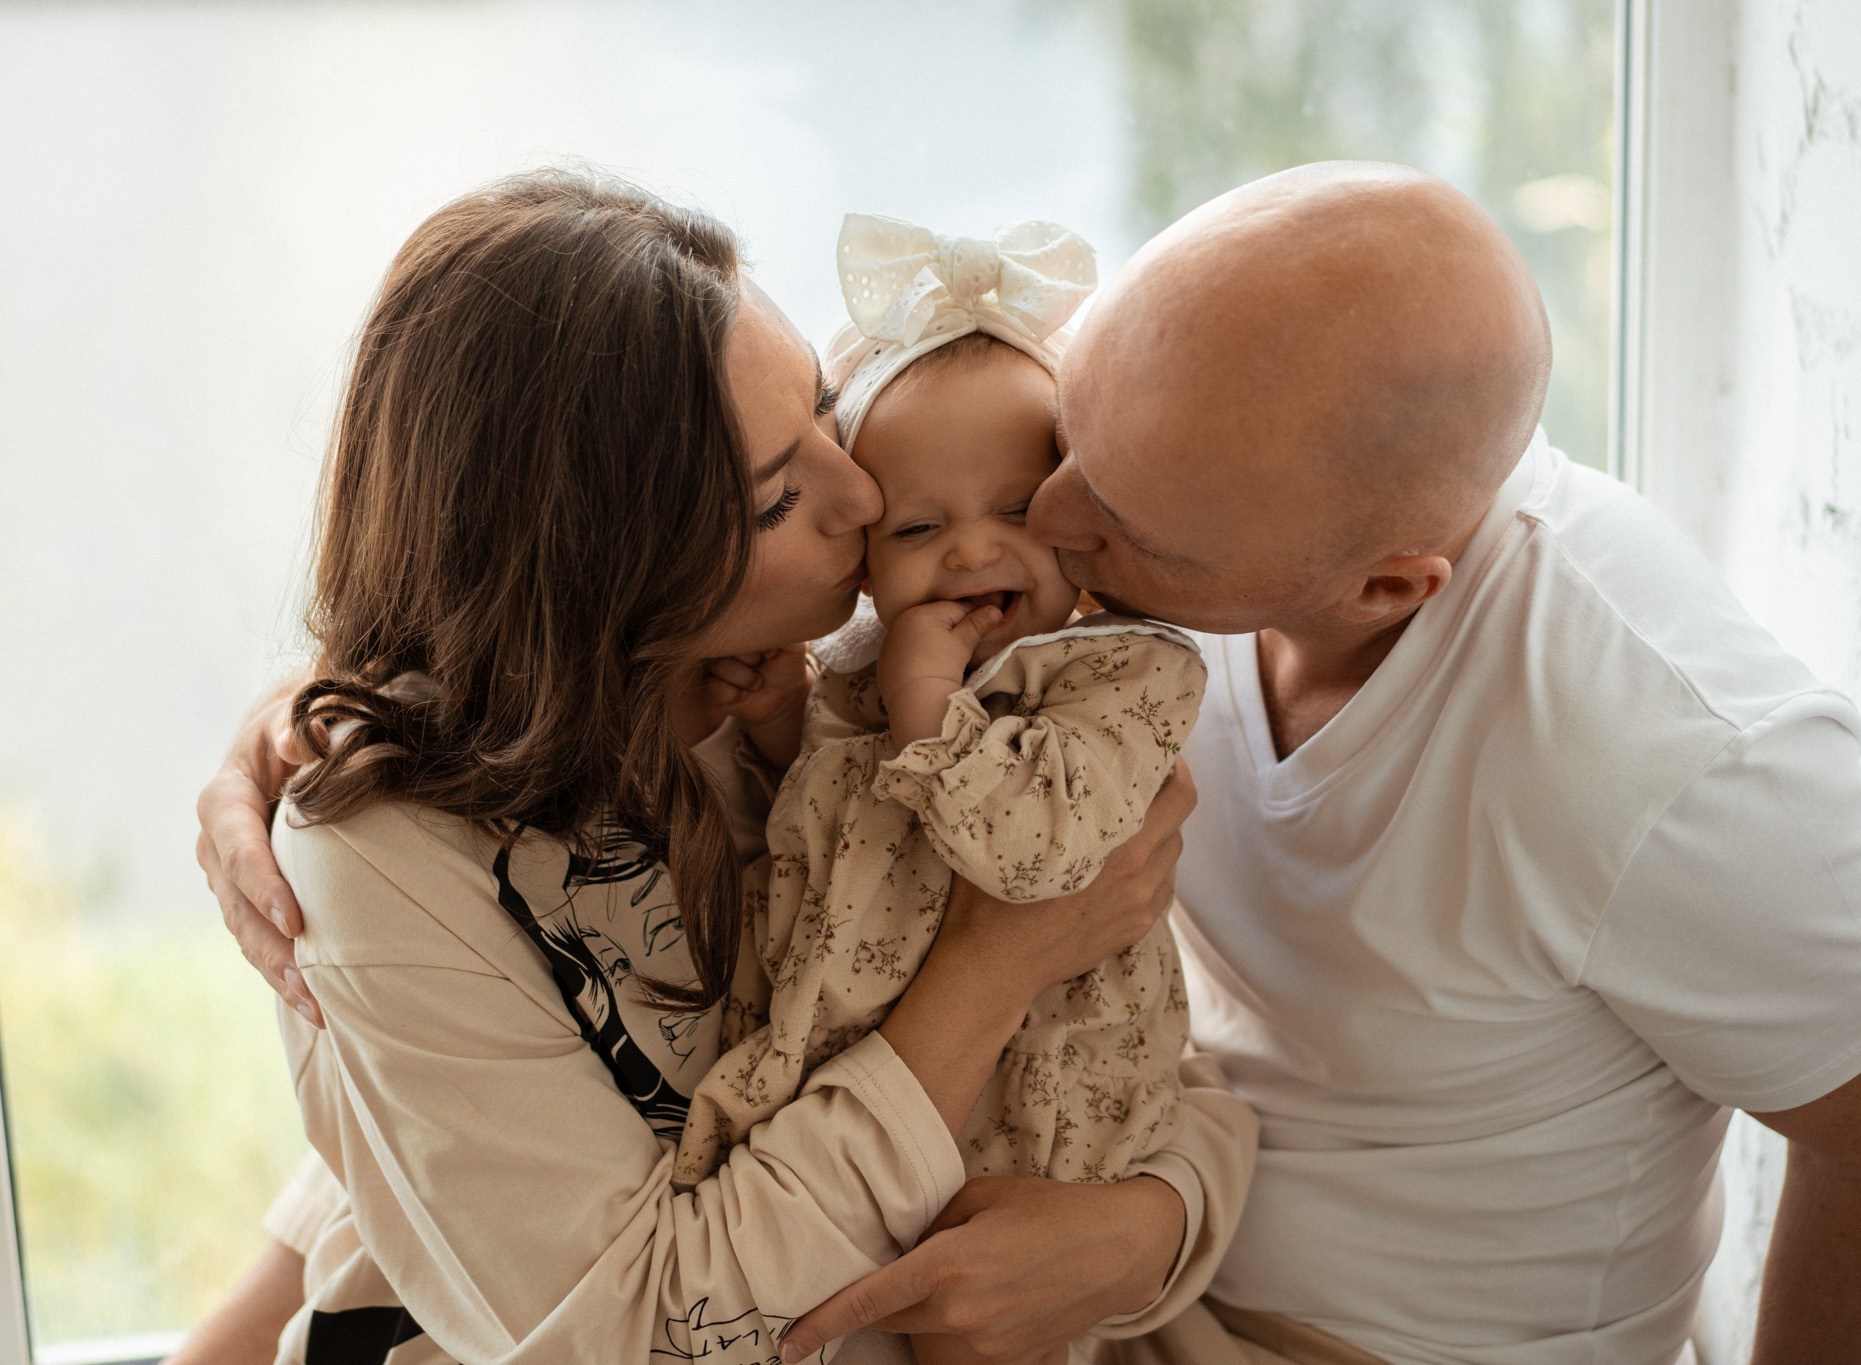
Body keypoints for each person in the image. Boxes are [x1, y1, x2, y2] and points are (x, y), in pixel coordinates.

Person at [204, 163, 1861, 1365]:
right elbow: (491, 1019)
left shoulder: (1651, 739)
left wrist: (1146, 1224)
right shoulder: (1099, 530)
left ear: (1377, 582)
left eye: (1113, 524)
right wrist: (343, 725)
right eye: (1074, 435)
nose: (1023, 541)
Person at [182, 168, 1257, 1365]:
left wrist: (1145, 1228)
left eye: (825, 409)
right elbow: (639, 1328)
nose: (863, 494)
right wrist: (990, 966)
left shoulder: (863, 681)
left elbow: (1132, 1029)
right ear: (598, 569)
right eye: (779, 496)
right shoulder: (399, 852)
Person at [676, 210, 1210, 1365]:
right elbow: (816, 810)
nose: (971, 553)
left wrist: (931, 710)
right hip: (854, 1052)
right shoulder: (871, 660)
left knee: (975, 1313)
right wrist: (779, 720)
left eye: (1016, 509)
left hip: (1044, 1081)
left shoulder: (1116, 672)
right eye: (919, 525)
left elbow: (1039, 860)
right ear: (866, 550)